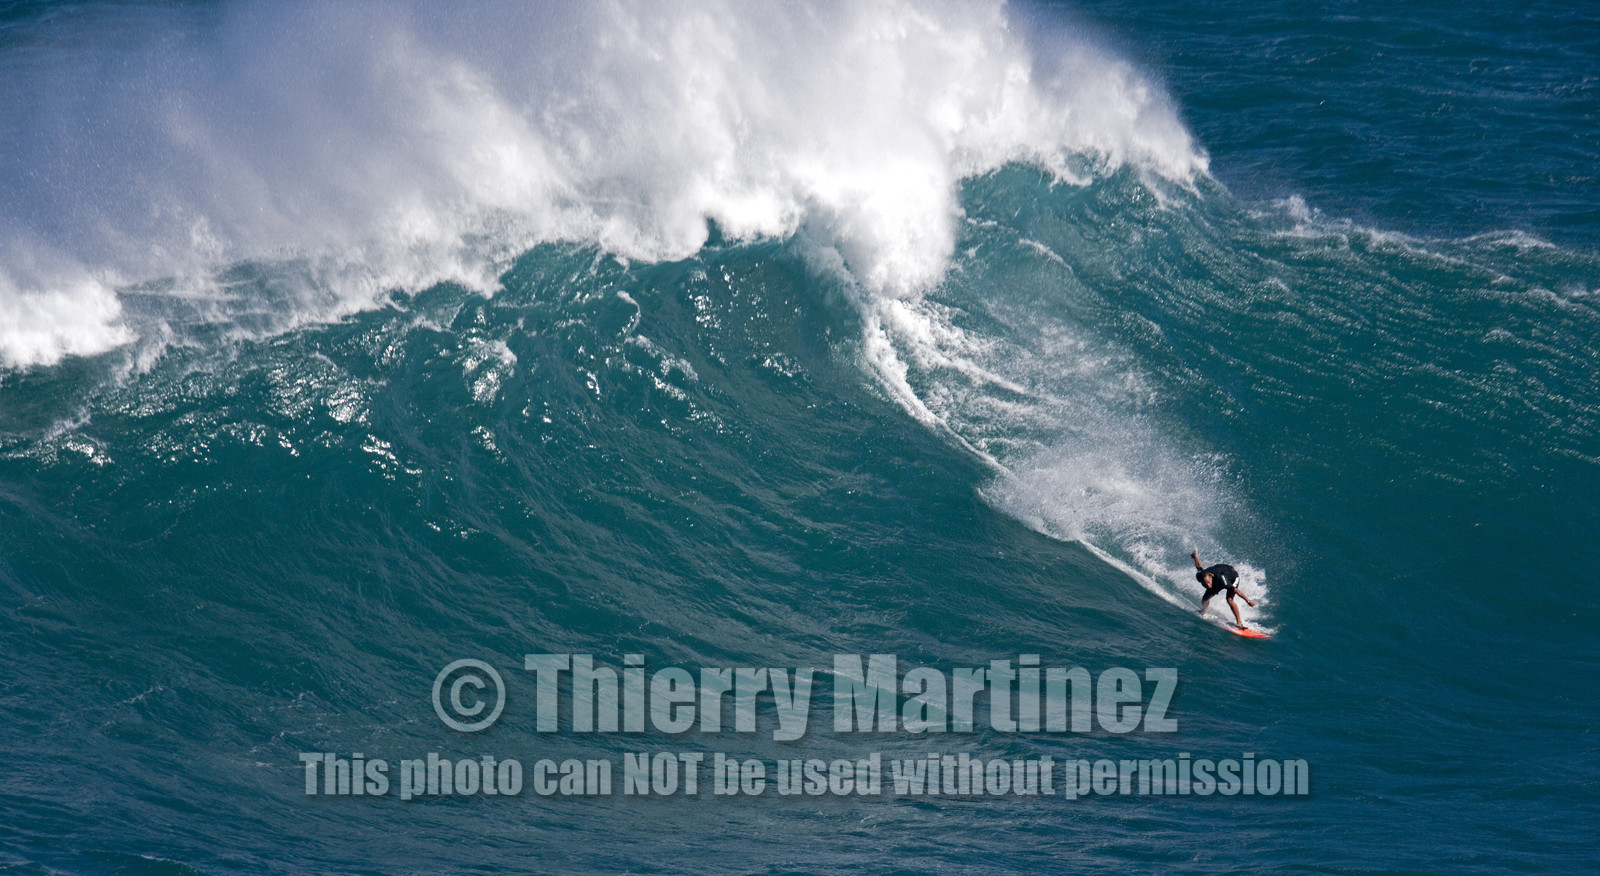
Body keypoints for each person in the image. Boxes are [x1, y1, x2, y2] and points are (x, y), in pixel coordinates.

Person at [1192, 549, 1255, 629]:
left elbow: (1237, 591)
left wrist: (1248, 601)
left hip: (1232, 576)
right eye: (1204, 583)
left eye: (1208, 582)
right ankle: (1204, 611)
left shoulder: (1222, 580)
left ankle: (1239, 623)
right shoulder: (1202, 576)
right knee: (1205, 598)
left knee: (1229, 599)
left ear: (1211, 576)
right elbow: (1199, 567)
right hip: (1217, 577)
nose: (1207, 585)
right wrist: (1195, 557)